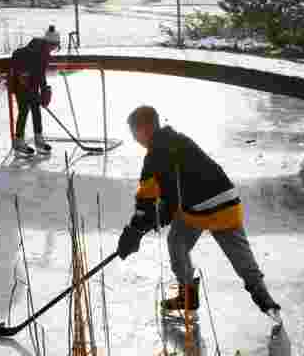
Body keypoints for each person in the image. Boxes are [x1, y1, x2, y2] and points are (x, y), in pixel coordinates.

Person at [116, 105, 281, 320]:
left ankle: (188, 297)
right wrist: (165, 212)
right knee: (241, 258)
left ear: (145, 129)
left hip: (200, 208)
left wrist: (133, 233)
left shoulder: (155, 155)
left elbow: (145, 203)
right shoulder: (180, 140)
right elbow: (179, 186)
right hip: (227, 202)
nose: (134, 138)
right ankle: (266, 302)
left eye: (134, 132)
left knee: (177, 243)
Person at [9, 25, 60, 156]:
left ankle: (38, 139)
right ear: (49, 43)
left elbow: (40, 74)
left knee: (36, 110)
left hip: (32, 86)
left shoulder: (43, 53)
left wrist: (44, 90)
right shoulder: (32, 52)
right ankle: (18, 141)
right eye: (53, 47)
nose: (53, 50)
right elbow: (22, 71)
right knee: (24, 110)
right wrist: (27, 83)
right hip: (20, 85)